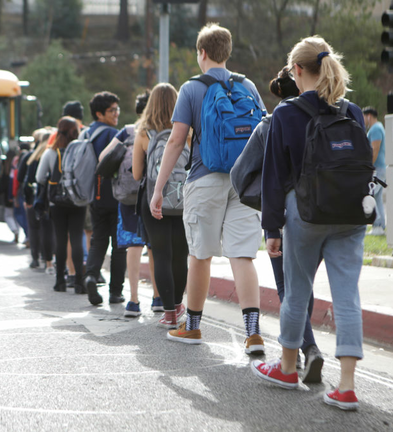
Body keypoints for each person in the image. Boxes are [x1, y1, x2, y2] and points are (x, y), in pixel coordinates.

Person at [252, 36, 367, 411]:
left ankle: (287, 368)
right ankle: (346, 387)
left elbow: (273, 177)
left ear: (297, 70)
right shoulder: (350, 110)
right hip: (350, 215)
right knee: (347, 295)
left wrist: (272, 230)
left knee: (297, 290)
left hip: (305, 213)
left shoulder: (286, 113)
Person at [150, 23, 267, 354]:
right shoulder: (248, 86)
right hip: (244, 181)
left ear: (201, 53)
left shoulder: (191, 89)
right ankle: (253, 333)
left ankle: (193, 326)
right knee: (242, 255)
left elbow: (176, 141)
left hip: (205, 178)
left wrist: (159, 189)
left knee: (200, 255)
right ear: (227, 52)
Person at [240, 67, 325, 381]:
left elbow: (241, 173)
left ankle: (308, 348)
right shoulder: (328, 115)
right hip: (323, 213)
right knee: (303, 283)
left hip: (283, 214)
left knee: (288, 287)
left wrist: (266, 218)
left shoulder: (271, 123)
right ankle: (301, 349)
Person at [99, 90, 162, 317]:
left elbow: (104, 157)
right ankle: (157, 297)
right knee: (154, 246)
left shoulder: (126, 131)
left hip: (128, 197)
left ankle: (134, 300)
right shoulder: (163, 131)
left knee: (133, 246)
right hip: (155, 195)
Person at [134, 83, 190, 326]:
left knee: (162, 255)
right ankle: (179, 307)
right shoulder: (188, 131)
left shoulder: (143, 134)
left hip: (154, 202)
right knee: (181, 255)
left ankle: (168, 313)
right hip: (185, 199)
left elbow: (137, 174)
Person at [83, 91, 127, 305]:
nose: (116, 113)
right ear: (99, 113)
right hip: (114, 195)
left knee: (98, 240)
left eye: (117, 109)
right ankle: (115, 292)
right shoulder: (112, 134)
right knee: (119, 244)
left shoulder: (85, 134)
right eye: (112, 110)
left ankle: (91, 275)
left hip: (93, 195)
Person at [35, 117, 86, 292]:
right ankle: (79, 282)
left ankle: (60, 281)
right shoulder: (81, 150)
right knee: (77, 239)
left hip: (57, 202)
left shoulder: (51, 153)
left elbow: (40, 177)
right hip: (78, 200)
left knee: (61, 239)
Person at [19, 129, 55, 272]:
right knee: (49, 229)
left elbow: (24, 179)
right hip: (49, 197)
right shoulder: (53, 154)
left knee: (34, 228)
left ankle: (35, 258)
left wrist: (27, 199)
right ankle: (49, 259)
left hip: (34, 197)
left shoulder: (32, 157)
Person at [362, 106, 387, 236]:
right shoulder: (378, 127)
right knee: (377, 198)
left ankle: (378, 225)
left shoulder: (376, 128)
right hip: (380, 167)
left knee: (372, 196)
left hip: (377, 169)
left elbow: (375, 149)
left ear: (369, 116)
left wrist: (368, 167)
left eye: (363, 117)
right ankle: (380, 225)